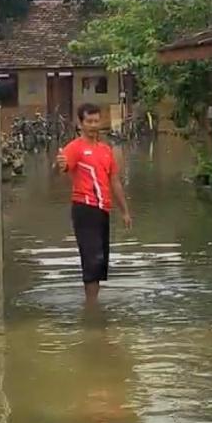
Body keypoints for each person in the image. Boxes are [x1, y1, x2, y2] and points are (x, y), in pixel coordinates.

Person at [56, 103, 132, 304]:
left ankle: (93, 303)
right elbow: (63, 172)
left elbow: (114, 181)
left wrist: (125, 211)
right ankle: (90, 307)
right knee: (91, 257)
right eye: (89, 121)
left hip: (103, 210)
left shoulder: (106, 150)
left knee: (100, 260)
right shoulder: (74, 148)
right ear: (80, 124)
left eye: (96, 121)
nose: (93, 125)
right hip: (84, 208)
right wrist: (60, 166)